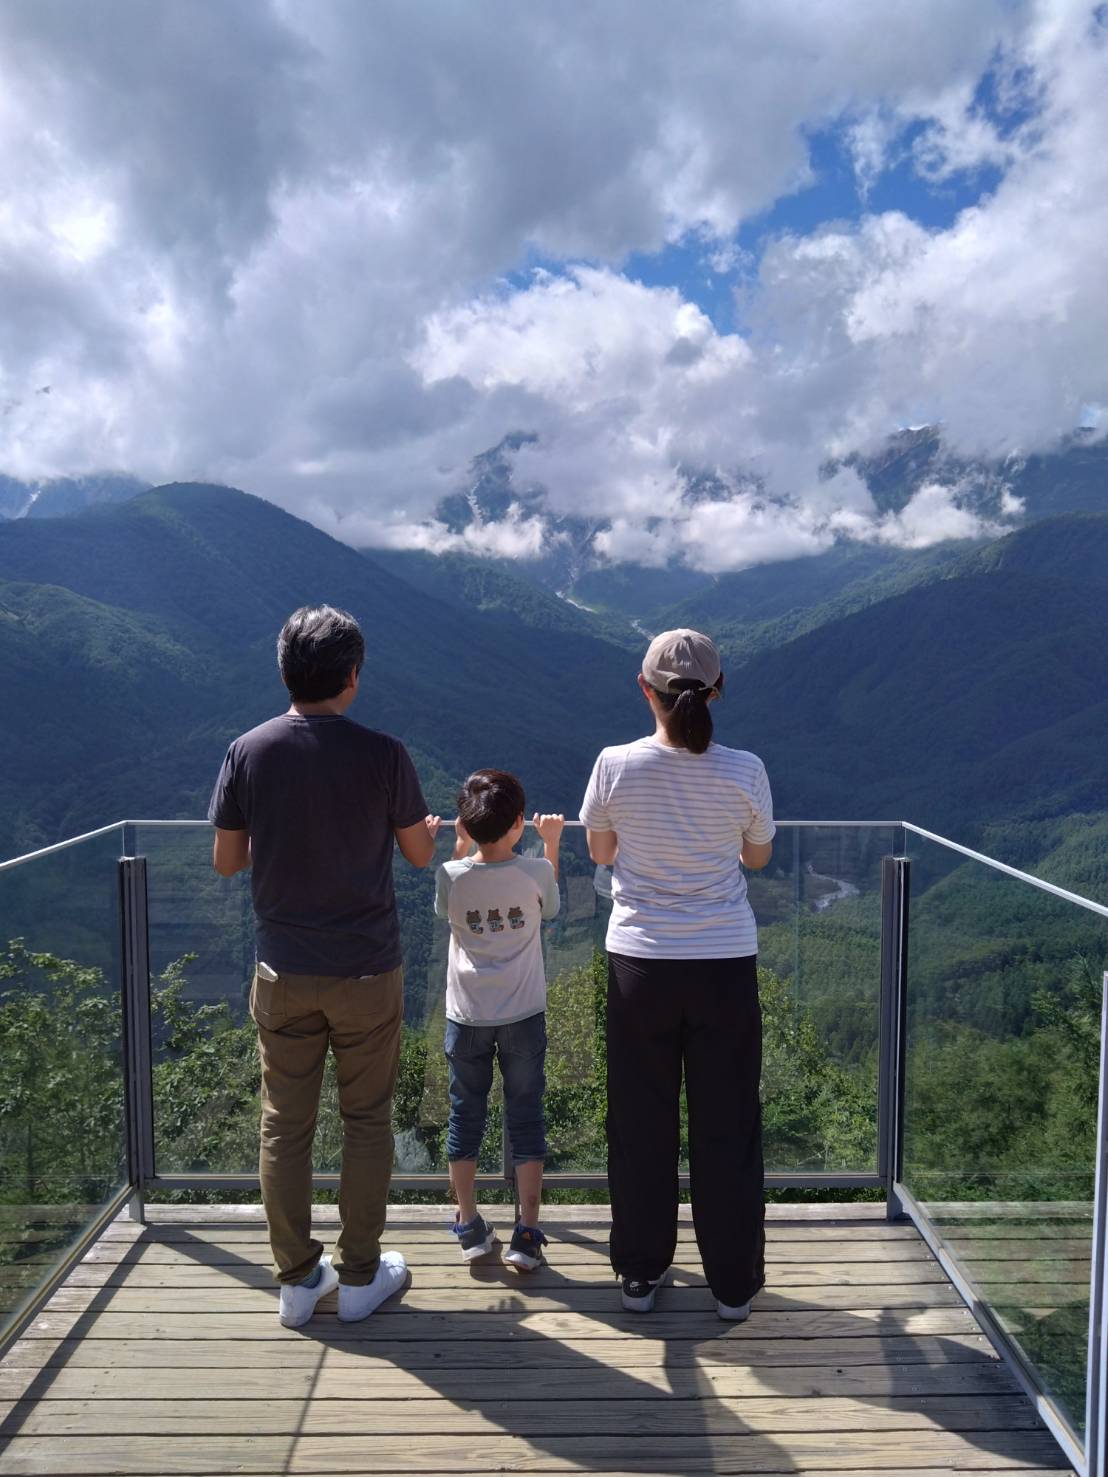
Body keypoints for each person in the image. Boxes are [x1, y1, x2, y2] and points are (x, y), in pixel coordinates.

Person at [208, 604, 441, 1328]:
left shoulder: (248, 751)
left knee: (284, 1125)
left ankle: (298, 1280)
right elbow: (419, 854)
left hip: (282, 969)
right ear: (352, 677)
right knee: (367, 1121)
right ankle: (362, 1276)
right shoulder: (384, 754)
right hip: (367, 969)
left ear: (284, 671)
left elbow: (227, 861)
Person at [580, 628, 774, 1320]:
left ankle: (640, 1271)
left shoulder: (614, 764)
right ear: (717, 691)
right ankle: (732, 1284)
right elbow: (756, 858)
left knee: (640, 1122)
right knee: (728, 1124)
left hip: (640, 963)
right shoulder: (746, 770)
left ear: (645, 689)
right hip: (725, 963)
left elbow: (602, 851)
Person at [434, 769, 564, 1270]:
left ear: (465, 825)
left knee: (465, 1114)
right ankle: (527, 1233)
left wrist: (459, 847)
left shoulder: (450, 874)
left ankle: (468, 1223)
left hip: (466, 1014)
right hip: (523, 1012)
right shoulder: (536, 872)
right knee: (526, 1115)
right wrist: (550, 842)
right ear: (518, 822)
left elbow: (447, 909)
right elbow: (549, 910)